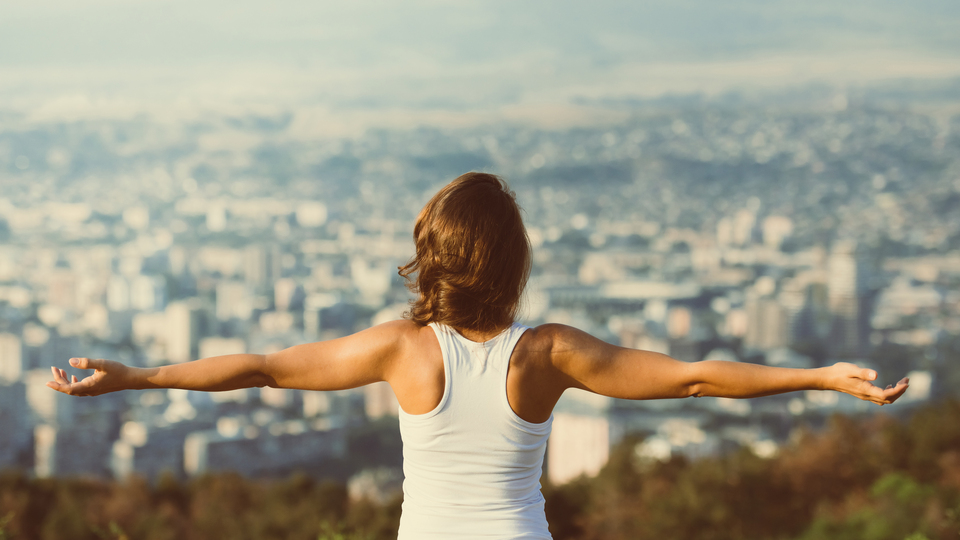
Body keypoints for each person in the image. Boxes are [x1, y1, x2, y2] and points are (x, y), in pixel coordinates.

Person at [47, 172, 910, 539]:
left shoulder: (399, 349)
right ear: (513, 259)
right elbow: (694, 375)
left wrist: (142, 376)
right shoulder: (548, 354)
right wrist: (818, 376)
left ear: (434, 256)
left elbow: (263, 366)